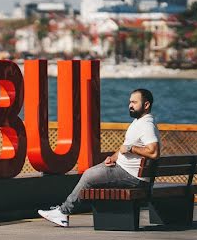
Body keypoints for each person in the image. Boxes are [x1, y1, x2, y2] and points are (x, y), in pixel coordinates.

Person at [38, 88, 160, 228]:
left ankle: (64, 212)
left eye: (134, 102)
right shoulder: (140, 122)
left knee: (89, 175)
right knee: (91, 173)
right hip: (127, 171)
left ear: (146, 105)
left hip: (132, 177)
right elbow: (124, 149)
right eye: (129, 102)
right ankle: (63, 211)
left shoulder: (146, 125)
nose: (130, 105)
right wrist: (113, 158)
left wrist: (131, 149)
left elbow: (154, 152)